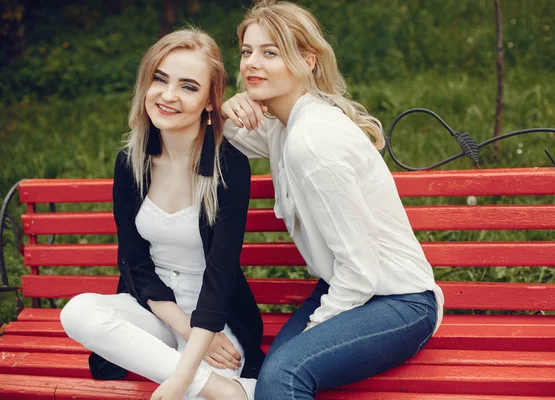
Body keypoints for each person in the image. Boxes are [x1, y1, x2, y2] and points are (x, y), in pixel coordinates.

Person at [220, 2, 445, 399]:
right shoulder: (285, 124)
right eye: (247, 51)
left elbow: (360, 268)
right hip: (349, 288)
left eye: (270, 52)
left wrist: (313, 331)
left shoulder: (314, 141)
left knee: (281, 377)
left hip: (400, 302)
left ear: (307, 61)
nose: (252, 63)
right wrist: (225, 109)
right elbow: (221, 135)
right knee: (273, 375)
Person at [60, 28, 263, 400]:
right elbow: (134, 263)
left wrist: (182, 373)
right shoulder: (131, 162)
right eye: (160, 79)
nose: (168, 96)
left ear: (208, 101)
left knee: (184, 390)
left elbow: (221, 275)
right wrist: (181, 341)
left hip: (213, 321)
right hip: (155, 312)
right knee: (77, 312)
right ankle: (228, 391)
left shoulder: (228, 167)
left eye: (188, 87)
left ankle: (199, 379)